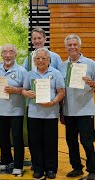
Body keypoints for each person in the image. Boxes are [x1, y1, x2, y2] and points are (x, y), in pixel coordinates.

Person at [22, 48, 65, 179]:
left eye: (43, 58)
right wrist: (27, 93)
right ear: (34, 60)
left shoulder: (56, 73)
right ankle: (37, 168)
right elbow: (24, 90)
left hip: (51, 114)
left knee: (50, 142)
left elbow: (61, 92)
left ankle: (51, 169)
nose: (40, 61)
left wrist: (53, 102)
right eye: (38, 58)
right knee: (35, 142)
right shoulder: (29, 74)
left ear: (48, 60)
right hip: (34, 113)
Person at [60, 34, 95, 180]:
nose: (72, 47)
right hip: (68, 110)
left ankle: (93, 170)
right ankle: (77, 168)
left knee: (87, 141)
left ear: (80, 46)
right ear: (66, 47)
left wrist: (92, 83)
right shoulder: (62, 66)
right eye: (70, 45)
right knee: (71, 141)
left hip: (85, 110)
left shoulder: (91, 63)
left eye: (75, 44)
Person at [0, 44, 27, 175]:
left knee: (17, 138)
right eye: (5, 52)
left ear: (15, 55)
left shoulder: (22, 71)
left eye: (11, 52)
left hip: (16, 110)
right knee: (3, 138)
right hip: (1, 110)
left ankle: (18, 164)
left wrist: (15, 90)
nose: (8, 55)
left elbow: (27, 90)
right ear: (1, 55)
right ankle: (5, 161)